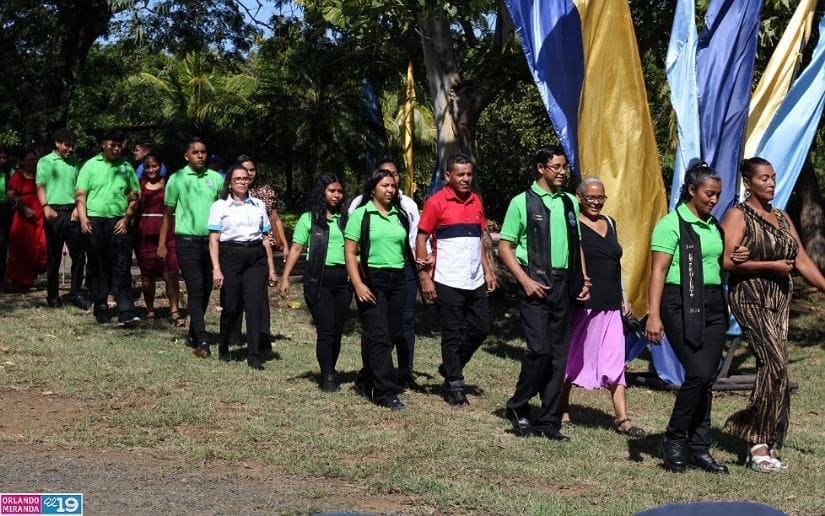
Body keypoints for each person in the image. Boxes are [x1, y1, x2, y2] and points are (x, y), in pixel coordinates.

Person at [721, 157, 825, 473]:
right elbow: (726, 261)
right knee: (776, 361)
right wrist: (770, 265)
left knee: (775, 367)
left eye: (773, 178)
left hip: (779, 300)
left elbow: (802, 260)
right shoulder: (738, 215)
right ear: (748, 182)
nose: (770, 183)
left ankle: (767, 438)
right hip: (750, 297)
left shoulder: (780, 218)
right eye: (764, 178)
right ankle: (756, 442)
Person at [645, 162, 749, 474]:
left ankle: (699, 447)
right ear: (691, 190)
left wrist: (736, 259)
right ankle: (675, 438)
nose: (714, 200)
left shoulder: (713, 226)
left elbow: (721, 263)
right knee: (698, 374)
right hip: (679, 303)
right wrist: (653, 314)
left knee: (707, 378)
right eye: (708, 194)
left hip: (715, 305)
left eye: (717, 195)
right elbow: (658, 271)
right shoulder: (671, 224)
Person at [498, 146, 589, 440]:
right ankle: (519, 406)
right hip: (534, 283)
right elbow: (505, 247)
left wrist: (584, 277)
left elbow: (577, 245)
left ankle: (549, 420)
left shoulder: (570, 202)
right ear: (540, 168)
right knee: (540, 350)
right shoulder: (521, 203)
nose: (562, 172)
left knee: (559, 356)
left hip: (564, 285)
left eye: (564, 167)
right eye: (556, 167)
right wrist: (524, 280)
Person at [556, 177, 644, 437]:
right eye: (591, 197)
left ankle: (623, 419)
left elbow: (616, 266)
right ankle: (562, 409)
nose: (595, 202)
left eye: (600, 197)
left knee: (616, 362)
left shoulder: (611, 223)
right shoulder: (574, 225)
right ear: (579, 197)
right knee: (573, 359)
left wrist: (623, 298)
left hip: (611, 306)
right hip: (584, 306)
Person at [415, 153, 495, 405]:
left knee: (482, 328)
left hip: (474, 279)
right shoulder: (436, 202)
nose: (466, 179)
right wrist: (425, 277)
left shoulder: (476, 201)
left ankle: (451, 366)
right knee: (452, 332)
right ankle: (456, 385)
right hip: (447, 279)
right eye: (460, 174)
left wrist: (488, 270)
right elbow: (421, 239)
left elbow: (480, 240)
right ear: (448, 176)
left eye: (469, 174)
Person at [345, 168, 413, 410]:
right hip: (372, 278)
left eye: (393, 186)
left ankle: (365, 379)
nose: (390, 190)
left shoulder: (400, 215)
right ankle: (384, 391)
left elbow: (404, 248)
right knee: (378, 334)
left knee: (392, 334)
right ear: (373, 188)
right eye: (385, 185)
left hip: (398, 279)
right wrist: (358, 284)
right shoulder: (362, 215)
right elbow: (351, 253)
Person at [280, 174, 351, 391]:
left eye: (339, 191)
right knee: (326, 329)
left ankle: (332, 367)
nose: (336, 195)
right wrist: (285, 277)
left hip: (344, 281)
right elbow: (297, 248)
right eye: (332, 191)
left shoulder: (348, 219)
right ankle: (327, 376)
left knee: (337, 329)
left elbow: (355, 248)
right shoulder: (308, 219)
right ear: (322, 192)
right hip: (318, 280)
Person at [208, 164, 277, 370]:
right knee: (231, 304)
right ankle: (224, 345)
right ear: (230, 182)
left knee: (255, 303)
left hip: (256, 257)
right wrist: (216, 268)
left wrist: (272, 268)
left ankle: (254, 353)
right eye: (237, 179)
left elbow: (266, 238)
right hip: (231, 255)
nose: (242, 182)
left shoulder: (257, 205)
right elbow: (213, 239)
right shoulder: (220, 206)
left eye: (245, 178)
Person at [159, 138, 223, 358]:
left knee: (205, 289)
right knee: (195, 288)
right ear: (186, 155)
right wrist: (162, 243)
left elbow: (223, 211)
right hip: (186, 241)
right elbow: (168, 213)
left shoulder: (216, 179)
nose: (200, 156)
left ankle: (192, 332)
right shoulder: (176, 178)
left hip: (211, 242)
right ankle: (203, 340)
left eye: (203, 152)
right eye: (195, 152)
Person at [76, 131, 141, 327]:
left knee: (121, 266)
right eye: (113, 144)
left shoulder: (126, 167)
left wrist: (127, 218)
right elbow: (80, 195)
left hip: (118, 222)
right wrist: (83, 218)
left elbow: (135, 195)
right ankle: (101, 307)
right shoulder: (90, 166)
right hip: (95, 222)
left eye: (120, 145)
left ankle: (126, 310)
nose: (116, 148)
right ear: (103, 144)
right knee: (98, 266)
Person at [36, 128, 87, 309]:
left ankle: (76, 292)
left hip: (72, 212)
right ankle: (53, 294)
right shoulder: (45, 162)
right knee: (54, 255)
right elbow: (40, 185)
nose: (70, 149)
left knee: (79, 254)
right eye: (67, 145)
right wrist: (45, 207)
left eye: (72, 146)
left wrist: (78, 209)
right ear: (57, 143)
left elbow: (80, 188)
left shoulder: (75, 162)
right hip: (53, 213)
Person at [135, 153, 182, 324]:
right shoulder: (139, 185)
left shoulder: (170, 184)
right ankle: (150, 309)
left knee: (171, 273)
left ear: (160, 166)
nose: (151, 170)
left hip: (168, 235)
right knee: (147, 275)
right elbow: (130, 204)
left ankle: (174, 310)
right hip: (144, 236)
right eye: (147, 167)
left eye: (154, 166)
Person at [4, 150, 47, 290]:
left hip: (40, 217)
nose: (32, 162)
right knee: (20, 248)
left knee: (41, 247)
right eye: (29, 160)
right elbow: (10, 195)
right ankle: (18, 281)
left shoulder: (41, 174)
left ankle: (32, 277)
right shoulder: (17, 175)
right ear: (23, 161)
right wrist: (24, 208)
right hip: (23, 217)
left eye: (34, 159)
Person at [0, 147, 15, 286]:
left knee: (4, 242)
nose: (2, 161)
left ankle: (4, 275)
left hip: (7, 210)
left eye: (4, 158)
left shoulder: (11, 173)